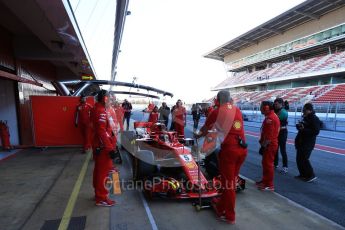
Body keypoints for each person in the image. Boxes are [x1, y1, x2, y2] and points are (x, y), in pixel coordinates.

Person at [195, 90, 247, 224]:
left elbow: (206, 129)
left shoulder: (216, 111)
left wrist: (197, 135)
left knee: (228, 185)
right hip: (242, 150)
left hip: (230, 152)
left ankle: (229, 216)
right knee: (230, 182)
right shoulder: (237, 110)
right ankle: (221, 207)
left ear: (218, 100)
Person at [92, 90, 117, 206]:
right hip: (102, 147)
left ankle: (98, 193)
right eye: (109, 99)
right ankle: (101, 198)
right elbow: (101, 132)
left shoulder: (98, 109)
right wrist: (109, 148)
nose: (111, 101)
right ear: (104, 99)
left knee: (98, 171)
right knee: (103, 173)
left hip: (99, 146)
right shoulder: (101, 111)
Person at [256, 101, 280, 191]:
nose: (260, 108)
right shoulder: (270, 117)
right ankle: (265, 181)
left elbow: (269, 137)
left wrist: (263, 146)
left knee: (268, 164)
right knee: (265, 164)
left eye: (261, 106)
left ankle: (269, 185)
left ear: (266, 108)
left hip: (269, 145)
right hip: (269, 145)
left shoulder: (270, 118)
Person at [295, 103, 320, 182]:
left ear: (309, 110)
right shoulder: (305, 117)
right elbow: (303, 127)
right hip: (301, 141)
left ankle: (311, 175)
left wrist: (303, 129)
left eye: (304, 110)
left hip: (308, 142)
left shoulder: (314, 118)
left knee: (304, 159)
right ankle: (303, 174)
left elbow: (316, 131)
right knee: (299, 159)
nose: (303, 112)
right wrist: (299, 126)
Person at [273, 98, 289, 173]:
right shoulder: (275, 110)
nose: (275, 105)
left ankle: (285, 167)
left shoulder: (284, 112)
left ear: (281, 104)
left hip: (282, 132)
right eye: (274, 104)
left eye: (276, 104)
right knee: (275, 149)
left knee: (283, 150)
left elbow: (275, 120)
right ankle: (275, 164)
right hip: (276, 132)